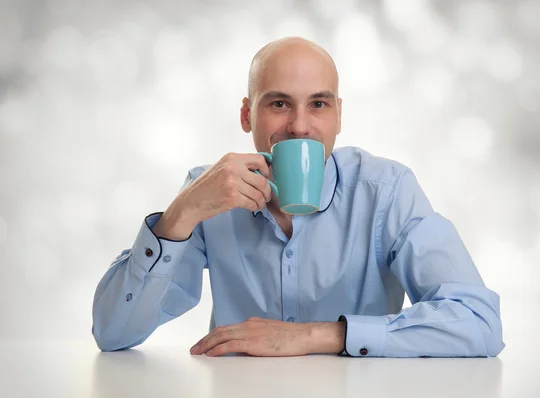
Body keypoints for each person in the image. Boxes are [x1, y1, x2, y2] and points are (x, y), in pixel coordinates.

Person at [92, 37, 505, 358]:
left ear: (339, 115)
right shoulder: (209, 193)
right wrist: (178, 216)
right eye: (279, 103)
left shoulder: (386, 191)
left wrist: (317, 335)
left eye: (318, 104)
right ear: (246, 115)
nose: (300, 126)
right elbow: (113, 334)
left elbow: (478, 322)